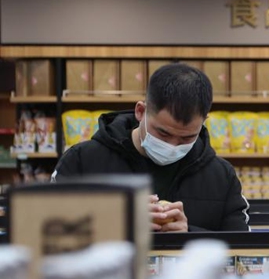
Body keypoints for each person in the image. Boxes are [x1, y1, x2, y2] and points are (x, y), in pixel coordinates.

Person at [52, 63, 250, 232]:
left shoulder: (222, 176)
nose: (172, 146)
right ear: (141, 111)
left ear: (204, 122)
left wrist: (189, 234)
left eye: (187, 137)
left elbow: (243, 250)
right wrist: (116, 225)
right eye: (163, 133)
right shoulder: (82, 161)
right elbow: (45, 234)